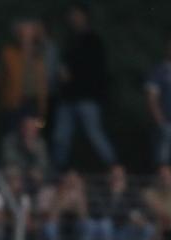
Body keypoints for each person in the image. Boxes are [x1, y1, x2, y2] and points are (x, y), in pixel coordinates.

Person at [51, 3, 117, 169]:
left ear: (84, 17)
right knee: (61, 137)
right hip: (68, 98)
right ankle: (57, 172)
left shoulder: (93, 40)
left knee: (95, 135)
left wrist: (72, 75)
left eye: (76, 14)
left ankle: (114, 166)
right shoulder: (69, 40)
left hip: (87, 97)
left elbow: (96, 71)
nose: (73, 18)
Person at [146, 35, 171, 167]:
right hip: (167, 121)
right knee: (163, 159)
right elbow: (152, 98)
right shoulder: (160, 71)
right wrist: (160, 120)